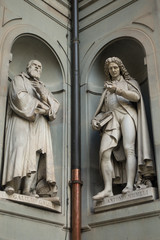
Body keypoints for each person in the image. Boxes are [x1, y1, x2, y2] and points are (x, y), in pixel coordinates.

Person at [92, 57, 154, 200]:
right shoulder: (106, 89)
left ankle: (130, 185)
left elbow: (136, 97)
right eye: (110, 68)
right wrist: (95, 120)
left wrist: (118, 90)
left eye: (115, 67)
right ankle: (108, 189)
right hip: (111, 118)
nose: (113, 70)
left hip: (127, 115)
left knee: (129, 148)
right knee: (105, 152)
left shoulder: (129, 83)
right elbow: (103, 109)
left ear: (120, 68)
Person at [2, 60, 60, 197]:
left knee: (36, 153)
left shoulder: (42, 86)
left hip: (40, 124)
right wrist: (41, 105)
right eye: (35, 65)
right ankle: (12, 185)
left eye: (40, 66)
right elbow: (19, 97)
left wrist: (43, 94)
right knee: (19, 148)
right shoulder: (18, 79)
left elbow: (54, 107)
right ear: (28, 67)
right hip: (21, 119)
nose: (38, 68)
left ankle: (29, 189)